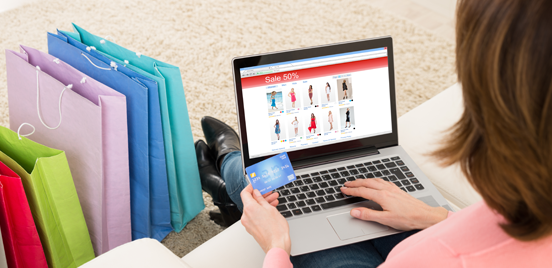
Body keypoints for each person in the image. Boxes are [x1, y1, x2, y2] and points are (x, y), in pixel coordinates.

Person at [196, 0, 552, 266]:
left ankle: (228, 161)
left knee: (261, 180)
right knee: (278, 177)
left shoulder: (434, 256)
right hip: (437, 229)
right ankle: (227, 169)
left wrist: (276, 247)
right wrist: (435, 216)